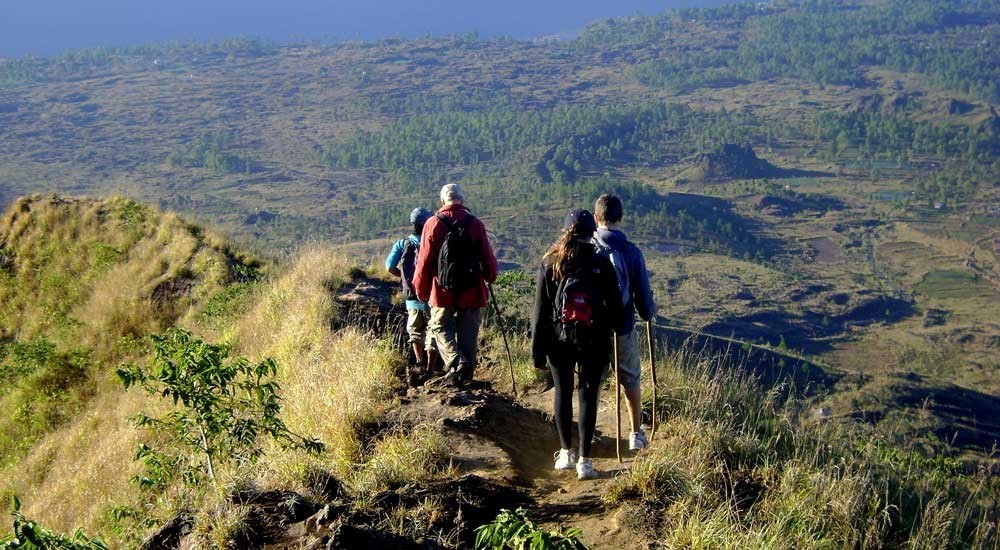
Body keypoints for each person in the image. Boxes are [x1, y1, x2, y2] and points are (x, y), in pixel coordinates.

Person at [531, 209, 625, 480]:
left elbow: (539, 312)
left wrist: (537, 352)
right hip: (593, 339)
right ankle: (585, 460)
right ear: (590, 232)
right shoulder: (601, 264)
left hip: (558, 340)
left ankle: (565, 453)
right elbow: (616, 311)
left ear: (566, 231)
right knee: (588, 395)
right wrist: (617, 328)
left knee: (562, 391)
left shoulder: (551, 264)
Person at [413, 183, 498, 385]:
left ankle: (457, 361)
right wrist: (490, 276)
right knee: (469, 330)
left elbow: (424, 261)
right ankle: (467, 375)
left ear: (442, 201)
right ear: (462, 200)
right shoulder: (475, 224)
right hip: (472, 289)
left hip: (442, 290)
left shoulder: (433, 224)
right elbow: (488, 259)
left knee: (439, 326)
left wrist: (421, 289)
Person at [593, 193, 657, 451]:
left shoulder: (588, 248)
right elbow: (642, 299)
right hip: (623, 326)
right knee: (630, 378)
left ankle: (591, 430)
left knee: (594, 378)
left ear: (596, 217)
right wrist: (649, 312)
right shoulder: (631, 252)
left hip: (591, 327)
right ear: (620, 218)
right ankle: (635, 433)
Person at [386, 207, 439, 384]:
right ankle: (431, 369)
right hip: (432, 295)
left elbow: (390, 266)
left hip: (412, 297)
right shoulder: (434, 242)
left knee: (415, 330)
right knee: (433, 330)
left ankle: (419, 362)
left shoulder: (402, 244)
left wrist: (404, 279)